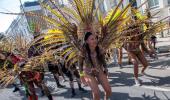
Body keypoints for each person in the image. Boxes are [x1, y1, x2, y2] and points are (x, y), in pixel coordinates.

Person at [79, 32, 111, 100]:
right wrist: (81, 76)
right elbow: (80, 64)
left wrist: (106, 69)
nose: (95, 40)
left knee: (108, 90)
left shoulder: (99, 48)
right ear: (87, 41)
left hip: (99, 70)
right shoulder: (83, 51)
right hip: (88, 73)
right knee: (96, 93)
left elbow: (103, 60)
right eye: (92, 39)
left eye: (96, 38)